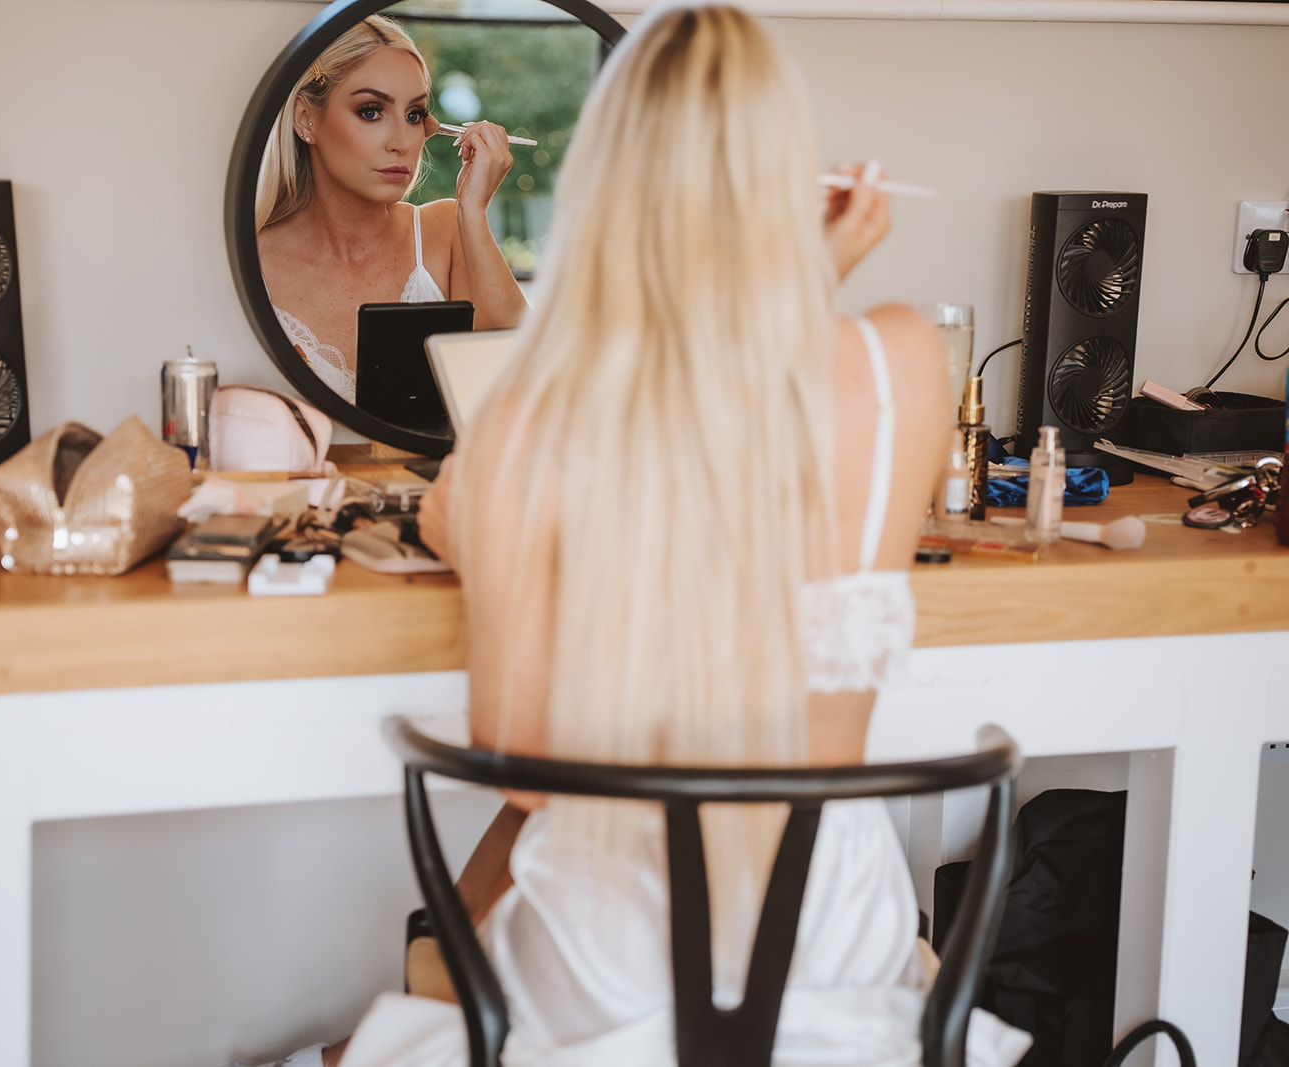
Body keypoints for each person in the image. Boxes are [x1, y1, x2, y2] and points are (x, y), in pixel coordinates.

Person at [267, 5, 1033, 1066]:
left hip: (609, 949)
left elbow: (526, 765)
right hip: (831, 931)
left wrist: (487, 526)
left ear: (605, 183)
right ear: (785, 165)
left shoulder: (540, 409)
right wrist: (811, 276)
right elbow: (756, 411)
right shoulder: (902, 363)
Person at [256, 16, 528, 404]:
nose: (402, 141)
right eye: (371, 110)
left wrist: (473, 212)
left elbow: (528, 377)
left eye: (414, 115)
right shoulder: (252, 260)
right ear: (306, 119)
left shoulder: (445, 232)